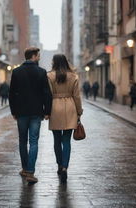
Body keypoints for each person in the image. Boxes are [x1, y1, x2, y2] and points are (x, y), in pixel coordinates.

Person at [9, 47, 52, 184]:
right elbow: (47, 93)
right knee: (33, 141)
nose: (39, 57)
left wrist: (14, 111)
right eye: (38, 55)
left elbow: (11, 94)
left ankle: (24, 168)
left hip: (21, 112)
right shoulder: (41, 72)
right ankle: (30, 172)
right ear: (33, 56)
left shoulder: (16, 72)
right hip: (36, 112)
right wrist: (47, 111)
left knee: (23, 141)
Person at [47, 54, 83, 183]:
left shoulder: (49, 76)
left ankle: (59, 165)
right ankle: (65, 168)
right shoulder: (73, 76)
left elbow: (48, 95)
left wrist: (46, 111)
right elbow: (77, 96)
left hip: (55, 107)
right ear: (66, 62)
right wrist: (79, 111)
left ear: (54, 62)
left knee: (57, 140)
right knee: (66, 140)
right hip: (70, 107)